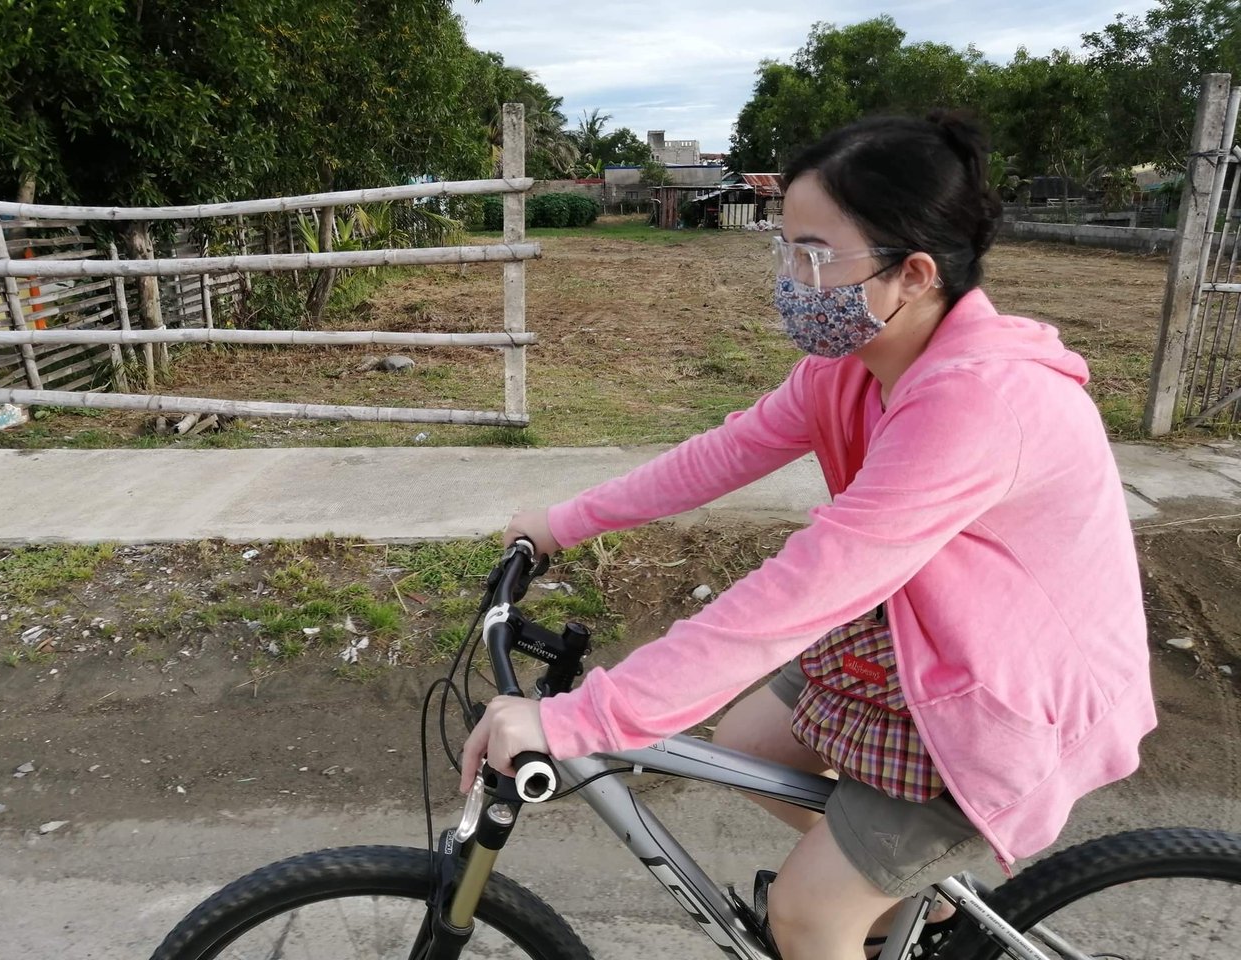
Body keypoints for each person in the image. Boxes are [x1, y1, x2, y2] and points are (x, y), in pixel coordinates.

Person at [460, 111, 1156, 960]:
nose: (790, 276)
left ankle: (879, 892)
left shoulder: (982, 404)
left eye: (815, 256)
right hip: (924, 647)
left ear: (914, 275)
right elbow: (724, 453)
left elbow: (808, 587)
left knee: (807, 915)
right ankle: (925, 900)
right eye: (784, 247)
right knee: (747, 738)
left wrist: (587, 718)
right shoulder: (851, 367)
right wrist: (561, 523)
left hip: (1005, 697)